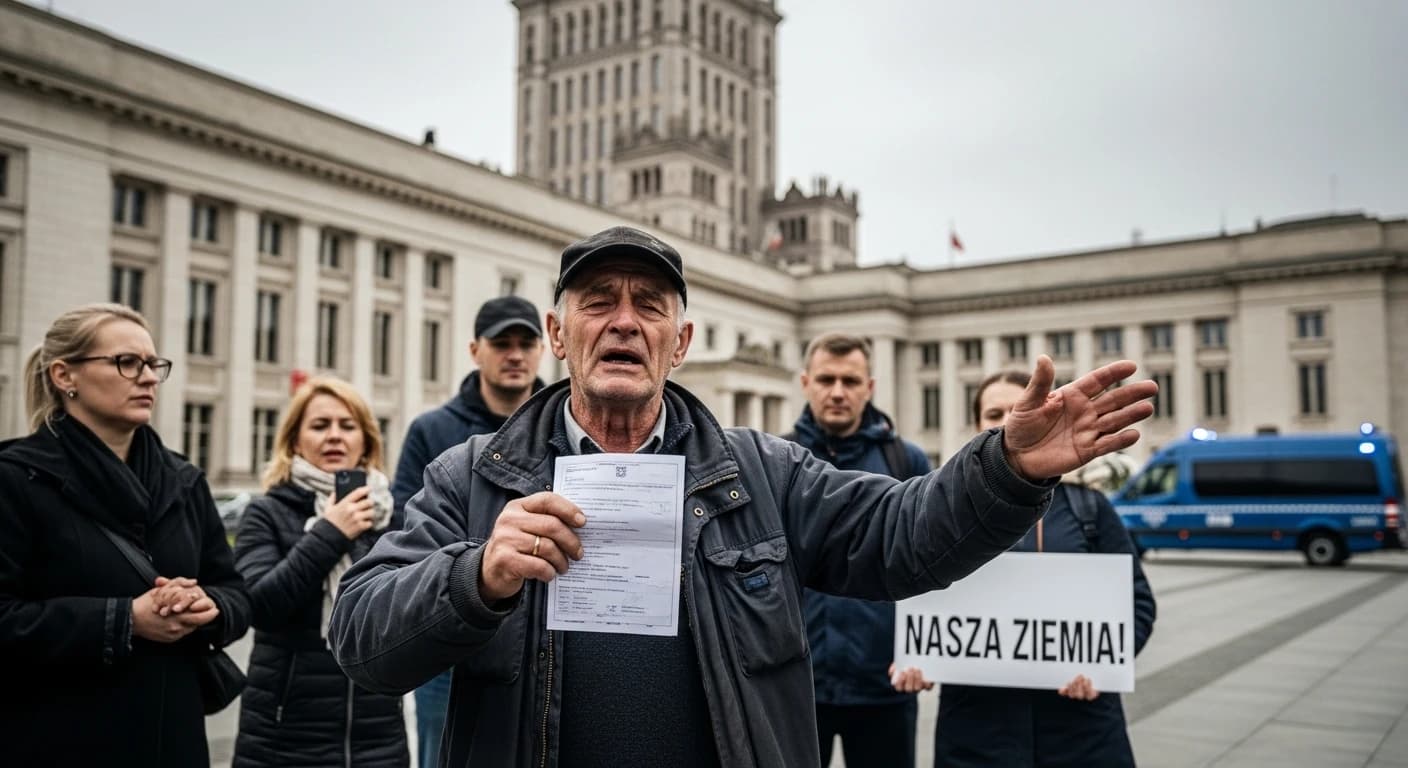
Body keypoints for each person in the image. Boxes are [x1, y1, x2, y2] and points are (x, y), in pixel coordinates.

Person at [327, 225, 1158, 768]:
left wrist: (1008, 470)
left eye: (648, 307)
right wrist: (477, 575)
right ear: (557, 334)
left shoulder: (763, 472)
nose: (623, 322)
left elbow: (902, 533)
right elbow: (361, 636)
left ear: (680, 342)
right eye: (597, 304)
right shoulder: (472, 476)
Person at [0, 303, 251, 767]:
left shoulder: (185, 480)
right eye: (127, 363)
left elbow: (236, 592)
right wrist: (124, 620)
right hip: (54, 738)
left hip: (172, 736)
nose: (150, 378)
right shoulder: (15, 480)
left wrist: (207, 606)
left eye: (154, 365)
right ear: (64, 376)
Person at [904, 370, 1157, 767]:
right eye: (994, 413)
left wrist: (1104, 666)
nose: (1009, 422)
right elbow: (911, 586)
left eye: (1019, 409)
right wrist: (914, 656)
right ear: (976, 428)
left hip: (1081, 733)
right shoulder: (945, 509)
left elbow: (1137, 604)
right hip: (976, 738)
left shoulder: (1089, 508)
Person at [391, 294, 546, 767]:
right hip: (447, 637)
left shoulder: (566, 426)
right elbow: (405, 528)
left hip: (540, 635)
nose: (515, 354)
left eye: (526, 342)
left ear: (544, 349)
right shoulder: (431, 430)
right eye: (502, 343)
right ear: (475, 350)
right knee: (443, 754)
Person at [231, 376, 408, 767]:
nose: (334, 436)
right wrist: (331, 532)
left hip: (376, 733)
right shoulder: (267, 512)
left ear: (366, 442)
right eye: (319, 425)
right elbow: (259, 605)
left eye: (348, 426)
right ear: (295, 440)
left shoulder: (389, 516)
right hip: (284, 733)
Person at [788, 332, 931, 767]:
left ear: (869, 388)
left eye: (850, 382)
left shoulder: (906, 462)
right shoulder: (775, 459)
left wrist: (925, 652)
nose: (837, 392)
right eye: (826, 379)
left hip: (883, 685)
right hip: (796, 685)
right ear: (806, 382)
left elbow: (929, 564)